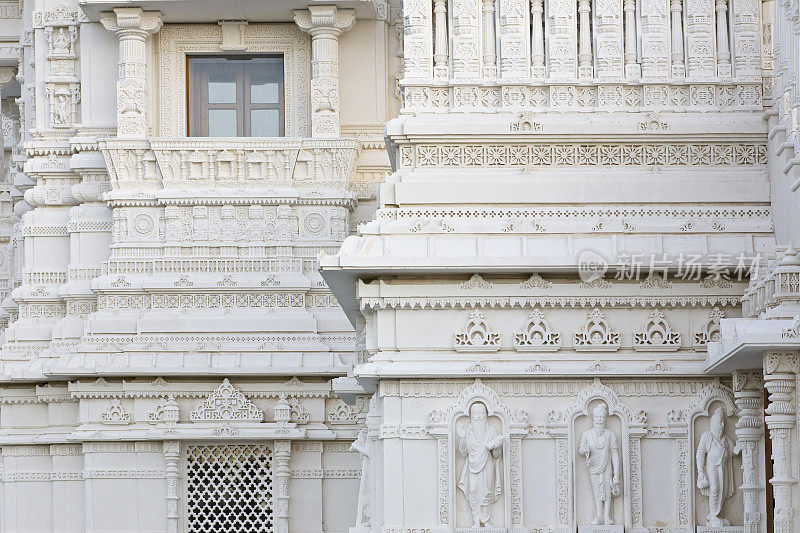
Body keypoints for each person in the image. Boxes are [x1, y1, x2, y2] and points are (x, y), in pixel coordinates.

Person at [457, 402, 504, 528]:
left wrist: (496, 446)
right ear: (471, 415)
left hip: (487, 464)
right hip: (472, 465)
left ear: (485, 415)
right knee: (473, 491)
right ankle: (476, 520)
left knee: (487, 492)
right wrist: (462, 438)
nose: (478, 416)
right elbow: (463, 452)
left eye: (481, 413)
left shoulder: (491, 430)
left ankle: (485, 520)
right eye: (475, 413)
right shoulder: (468, 431)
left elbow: (496, 455)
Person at [578, 403, 620, 525]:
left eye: (602, 417)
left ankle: (607, 517)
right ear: (593, 418)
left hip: (606, 465)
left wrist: (616, 473)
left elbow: (615, 454)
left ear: (605, 418)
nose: (600, 419)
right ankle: (598, 516)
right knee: (596, 492)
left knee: (607, 491)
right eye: (597, 417)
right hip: (593, 466)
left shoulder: (610, 434)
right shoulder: (587, 434)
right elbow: (580, 450)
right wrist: (585, 450)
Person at [696, 407, 736, 527]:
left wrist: (743, 443)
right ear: (713, 424)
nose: (722, 425)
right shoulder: (707, 436)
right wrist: (701, 472)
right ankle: (713, 515)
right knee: (715, 487)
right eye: (720, 423)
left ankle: (715, 515)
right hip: (711, 466)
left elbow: (734, 452)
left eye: (723, 422)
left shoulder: (726, 438)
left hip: (722, 468)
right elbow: (700, 453)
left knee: (722, 489)